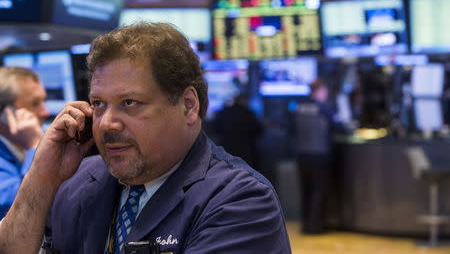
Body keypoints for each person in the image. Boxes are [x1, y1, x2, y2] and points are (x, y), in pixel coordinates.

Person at [0, 23, 291, 254]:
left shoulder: (241, 201)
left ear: (189, 105)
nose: (107, 122)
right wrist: (41, 175)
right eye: (99, 103)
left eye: (129, 102)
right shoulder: (75, 181)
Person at [291, 79, 339, 234]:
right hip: (319, 155)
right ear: (320, 90)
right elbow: (339, 127)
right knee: (318, 191)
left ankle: (305, 225)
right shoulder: (324, 108)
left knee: (305, 191)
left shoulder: (298, 106)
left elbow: (290, 129)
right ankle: (316, 227)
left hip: (302, 155)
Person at [0, 67, 49, 218]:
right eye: (35, 104)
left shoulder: (23, 143)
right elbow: (17, 208)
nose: (45, 112)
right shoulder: (32, 143)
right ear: (6, 114)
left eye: (43, 101)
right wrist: (35, 147)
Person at [213, 94, 263, 169]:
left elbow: (215, 129)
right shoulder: (248, 113)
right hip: (245, 150)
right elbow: (258, 131)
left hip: (227, 148)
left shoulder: (224, 112)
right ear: (243, 101)